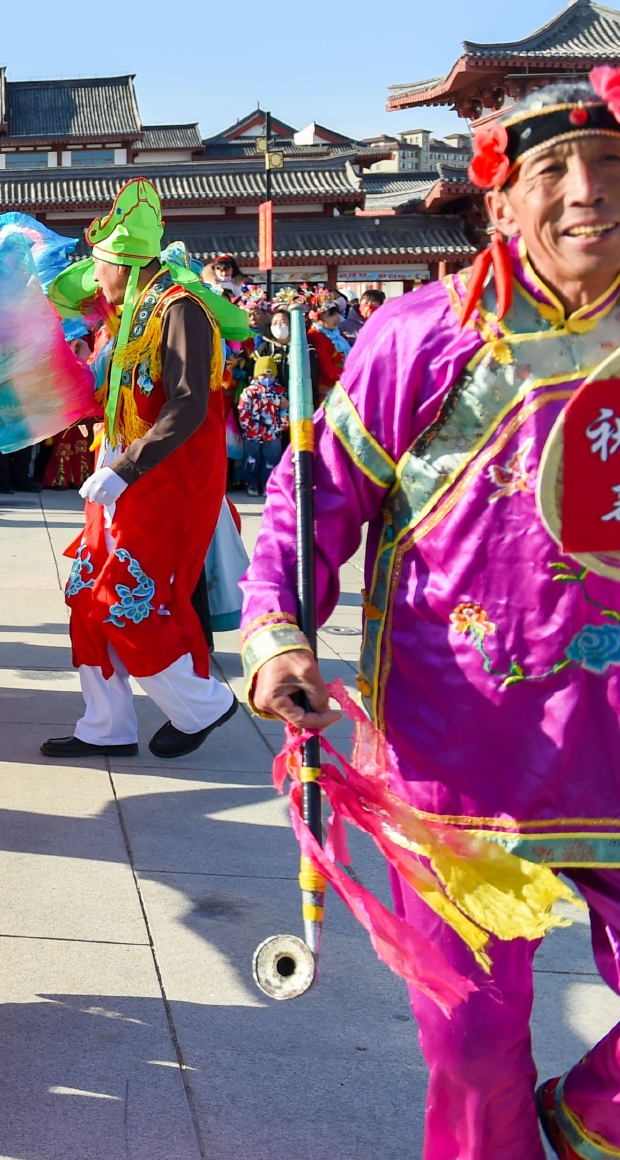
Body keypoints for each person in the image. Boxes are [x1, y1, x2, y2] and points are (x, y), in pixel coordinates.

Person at [243, 77, 620, 1160]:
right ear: (497, 201)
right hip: (459, 753)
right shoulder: (420, 339)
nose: (587, 193)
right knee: (468, 1046)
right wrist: (278, 636)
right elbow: (310, 500)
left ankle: (587, 1117)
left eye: (608, 169)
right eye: (551, 171)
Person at [42, 177, 242, 760]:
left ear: (119, 265)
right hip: (122, 469)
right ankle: (106, 724)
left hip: (163, 478)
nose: (94, 280)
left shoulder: (183, 309)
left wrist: (126, 466)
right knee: (85, 591)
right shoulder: (128, 312)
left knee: (125, 594)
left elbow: (188, 403)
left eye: (97, 268)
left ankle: (201, 703)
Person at [233, 354, 286, 495]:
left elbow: (286, 410)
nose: (267, 379)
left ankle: (268, 483)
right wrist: (248, 427)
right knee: (251, 459)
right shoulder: (249, 392)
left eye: (270, 375)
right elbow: (243, 410)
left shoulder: (280, 392)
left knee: (272, 459)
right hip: (253, 434)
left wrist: (281, 426)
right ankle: (252, 483)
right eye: (263, 375)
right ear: (256, 376)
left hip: (273, 434)